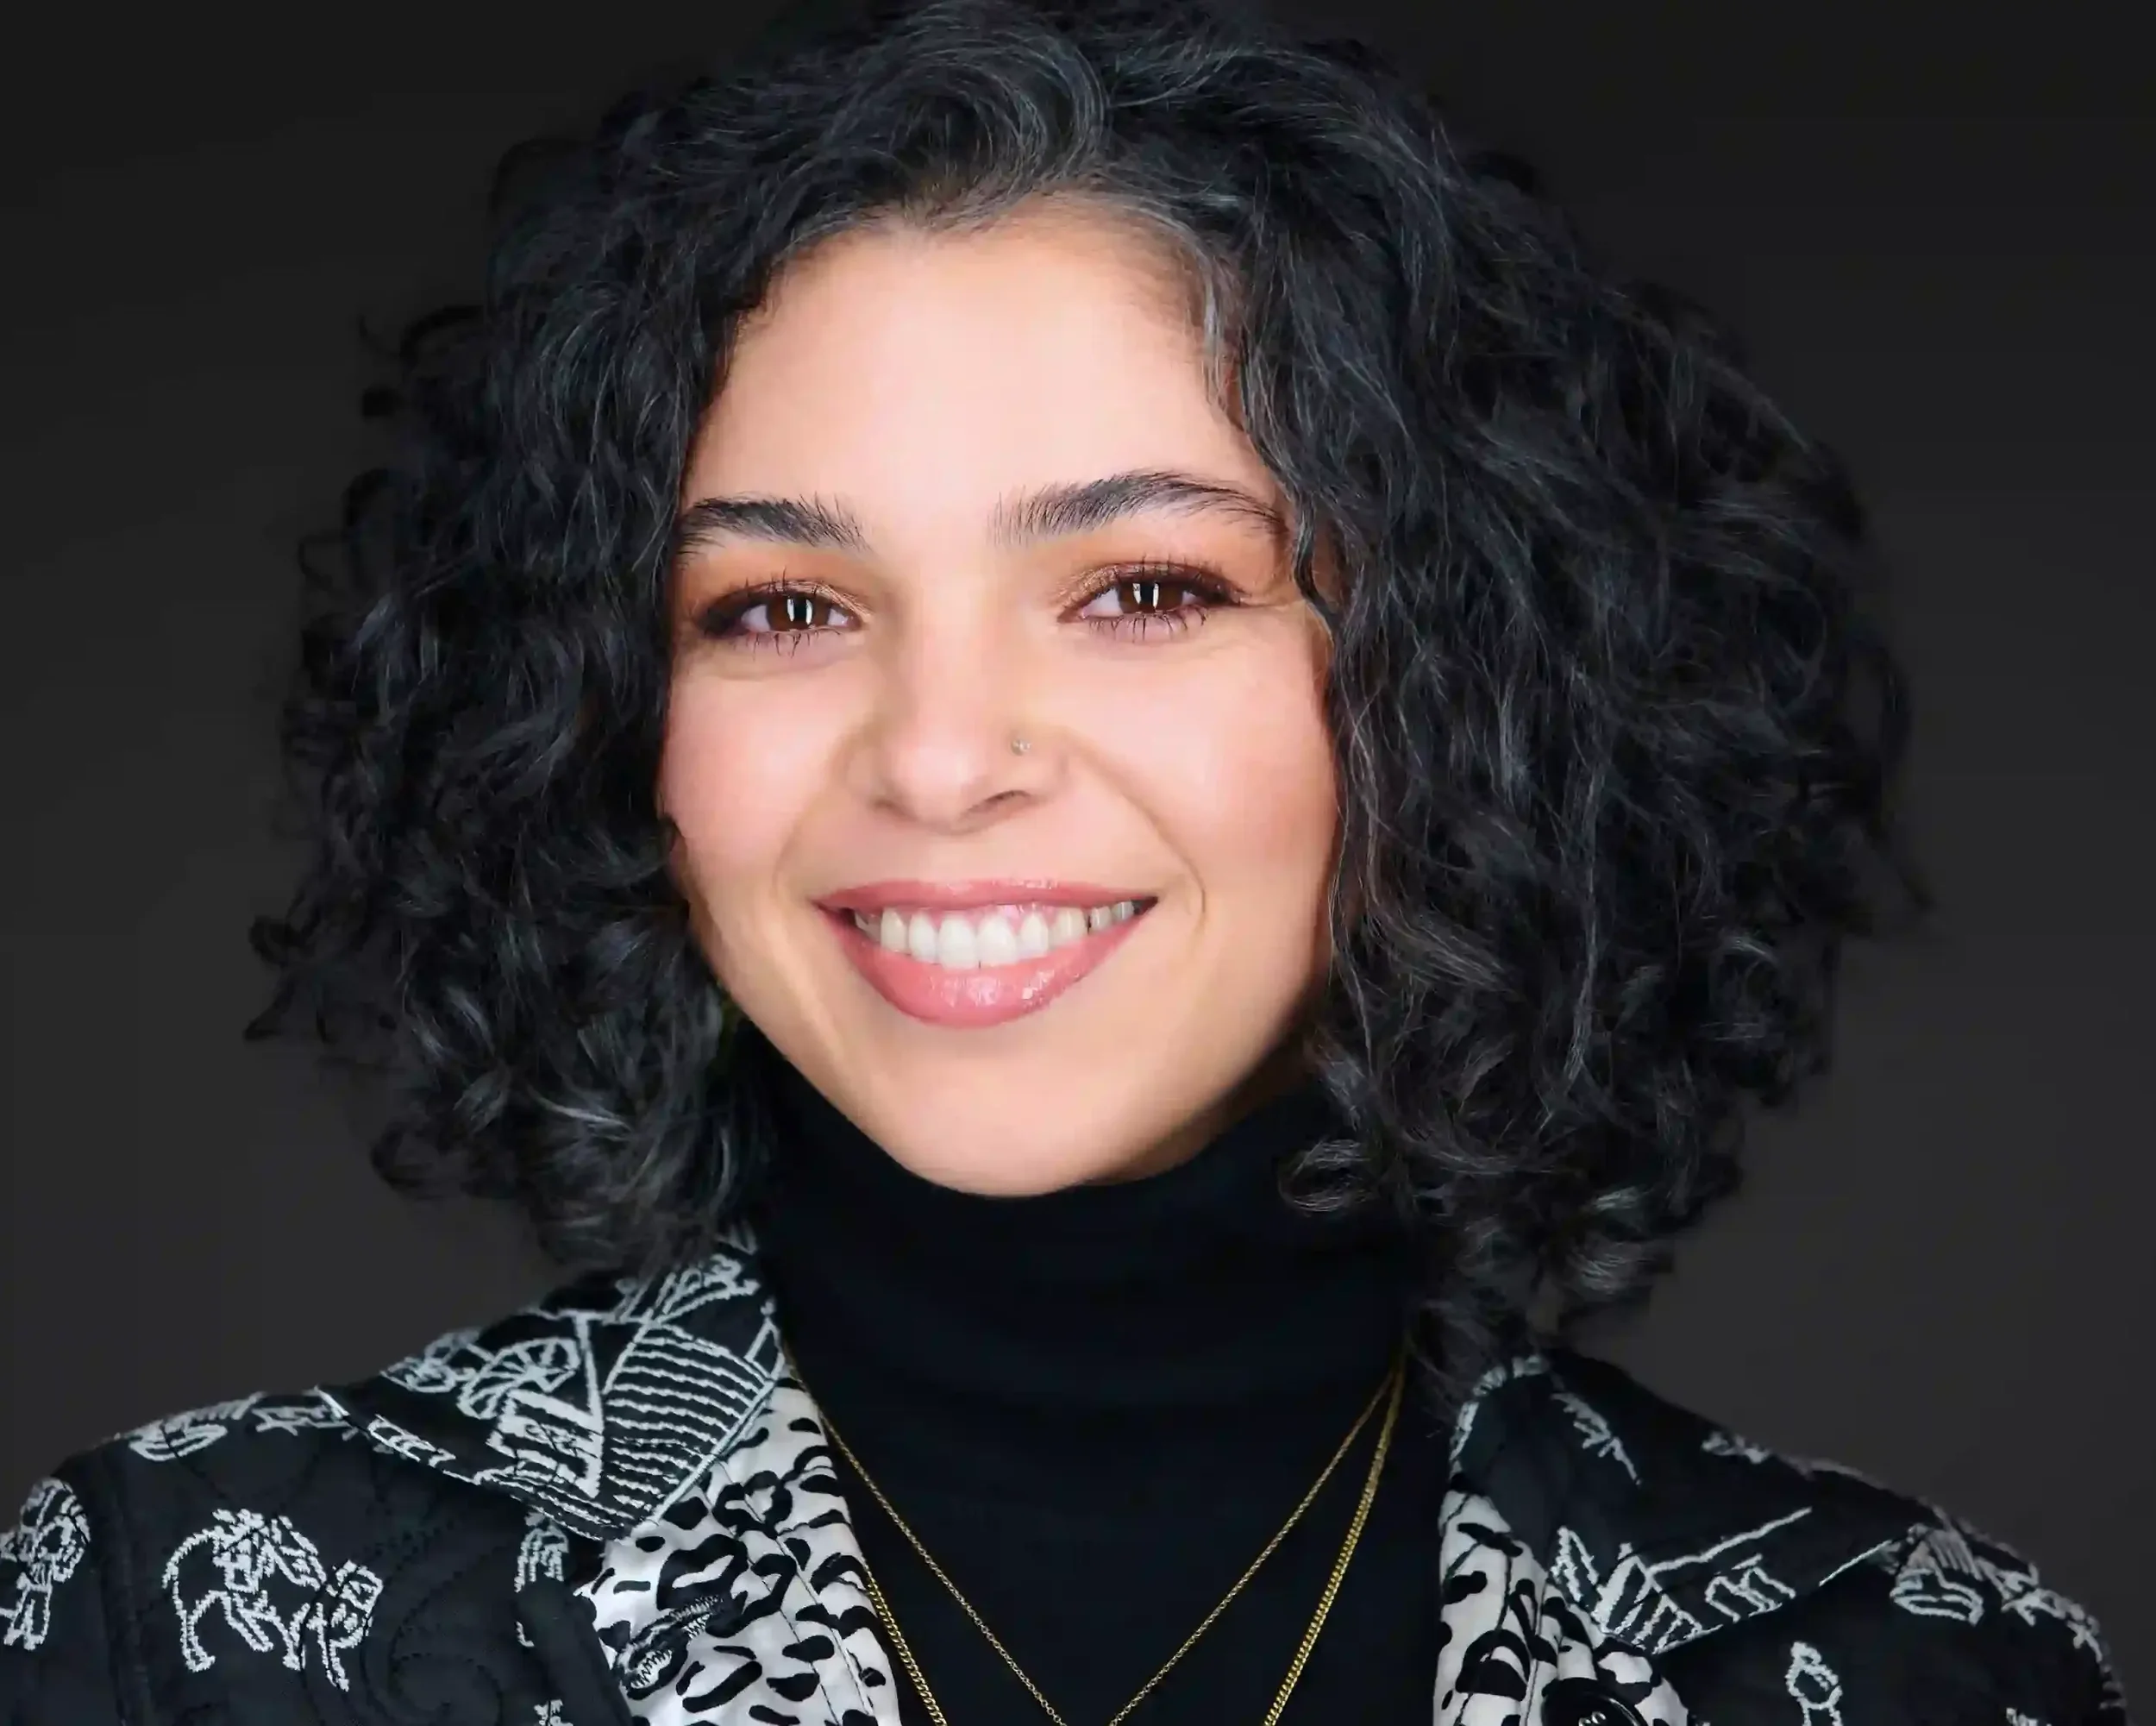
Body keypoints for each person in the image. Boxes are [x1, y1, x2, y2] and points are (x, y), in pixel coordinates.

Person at [0, 1, 2127, 1721]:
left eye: (1140, 589)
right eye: (779, 609)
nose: (936, 761)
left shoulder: (1892, 1665)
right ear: (611, 728)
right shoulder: (190, 1630)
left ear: (1469, 681)